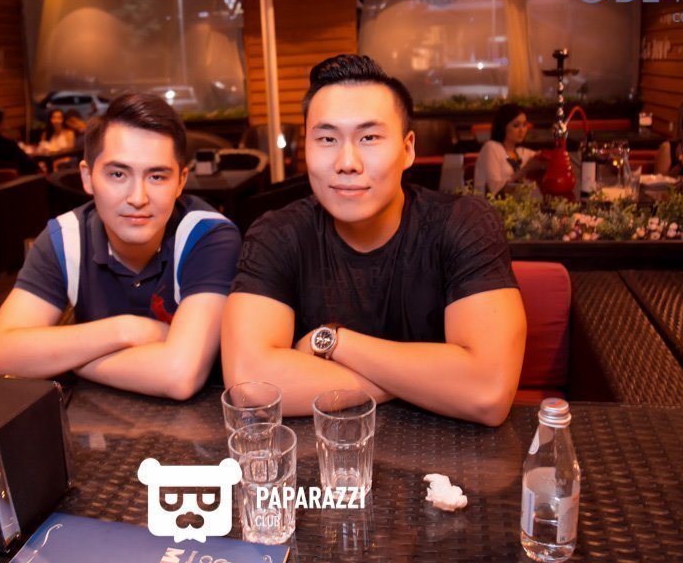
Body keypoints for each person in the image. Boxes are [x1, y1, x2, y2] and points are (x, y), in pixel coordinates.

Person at [222, 54, 526, 426]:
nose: (347, 162)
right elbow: (251, 389)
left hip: (451, 455)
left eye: (369, 138)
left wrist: (332, 341)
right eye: (327, 139)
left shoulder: (463, 224)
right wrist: (432, 383)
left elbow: (487, 392)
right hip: (319, 454)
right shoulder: (277, 233)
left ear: (408, 148)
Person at [0, 93, 242, 400]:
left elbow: (179, 375)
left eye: (157, 176)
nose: (138, 198)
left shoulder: (208, 236)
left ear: (181, 181)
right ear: (87, 177)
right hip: (94, 417)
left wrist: (64, 360)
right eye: (118, 174)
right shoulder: (65, 238)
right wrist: (128, 330)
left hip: (199, 421)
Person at [474, 104, 543, 194]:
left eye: (524, 125)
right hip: (490, 202)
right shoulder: (491, 147)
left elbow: (544, 157)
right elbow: (495, 190)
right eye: (516, 125)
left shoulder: (522, 152)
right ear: (503, 127)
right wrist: (525, 169)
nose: (522, 130)